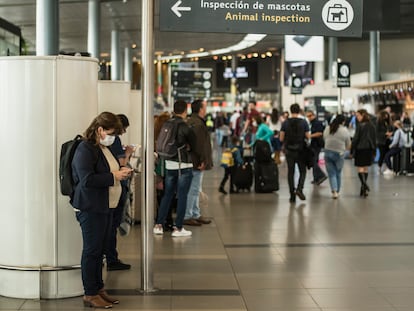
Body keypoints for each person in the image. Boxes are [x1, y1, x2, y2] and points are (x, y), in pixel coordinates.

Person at [71, 112, 133, 308]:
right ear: (100, 130)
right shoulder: (85, 149)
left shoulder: (101, 148)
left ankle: (98, 288)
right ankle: (89, 293)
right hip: (91, 207)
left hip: (106, 206)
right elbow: (87, 180)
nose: (113, 137)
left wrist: (119, 173)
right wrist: (114, 175)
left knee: (100, 251)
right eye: (111, 133)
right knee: (92, 251)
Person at [153, 100, 197, 236]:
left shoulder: (167, 123)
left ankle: (159, 225)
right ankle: (178, 228)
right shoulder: (184, 126)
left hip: (169, 164)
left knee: (168, 194)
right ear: (185, 111)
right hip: (183, 164)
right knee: (182, 195)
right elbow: (194, 144)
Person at [105, 114, 133, 271]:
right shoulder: (114, 139)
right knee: (113, 224)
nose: (122, 133)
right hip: (116, 184)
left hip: (106, 187)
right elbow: (121, 162)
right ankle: (111, 258)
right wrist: (128, 153)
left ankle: (109, 257)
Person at [184, 99, 213, 226]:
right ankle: (188, 215)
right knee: (193, 189)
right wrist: (202, 160)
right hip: (196, 161)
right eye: (205, 107)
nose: (206, 109)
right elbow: (199, 145)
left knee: (195, 188)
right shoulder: (198, 124)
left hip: (192, 160)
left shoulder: (192, 121)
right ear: (201, 109)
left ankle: (195, 213)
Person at [280, 103, 310, 203]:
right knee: (303, 171)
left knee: (290, 172)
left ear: (290, 110)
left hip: (289, 150)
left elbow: (281, 138)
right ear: (299, 110)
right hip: (301, 150)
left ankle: (292, 195)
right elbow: (307, 136)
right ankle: (299, 189)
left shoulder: (285, 123)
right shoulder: (304, 122)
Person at [323, 115, 351, 199]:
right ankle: (337, 191)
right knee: (338, 173)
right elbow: (348, 143)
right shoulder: (344, 130)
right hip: (339, 153)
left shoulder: (328, 128)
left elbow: (324, 138)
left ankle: (334, 191)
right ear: (343, 122)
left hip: (327, 152)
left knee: (331, 173)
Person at [351, 109, 377, 197]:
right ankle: (363, 188)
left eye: (358, 115)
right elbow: (374, 139)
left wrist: (352, 149)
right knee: (365, 168)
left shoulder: (360, 126)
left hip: (360, 149)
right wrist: (374, 150)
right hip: (369, 149)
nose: (357, 117)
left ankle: (364, 185)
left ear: (363, 115)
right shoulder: (372, 126)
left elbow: (355, 139)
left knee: (360, 168)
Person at [306, 110, 327, 185]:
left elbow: (320, 133)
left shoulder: (318, 123)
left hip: (316, 144)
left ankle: (321, 175)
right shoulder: (311, 123)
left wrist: (310, 136)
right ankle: (316, 178)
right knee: (314, 161)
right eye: (308, 116)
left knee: (313, 161)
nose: (309, 118)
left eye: (310, 116)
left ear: (314, 115)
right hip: (313, 144)